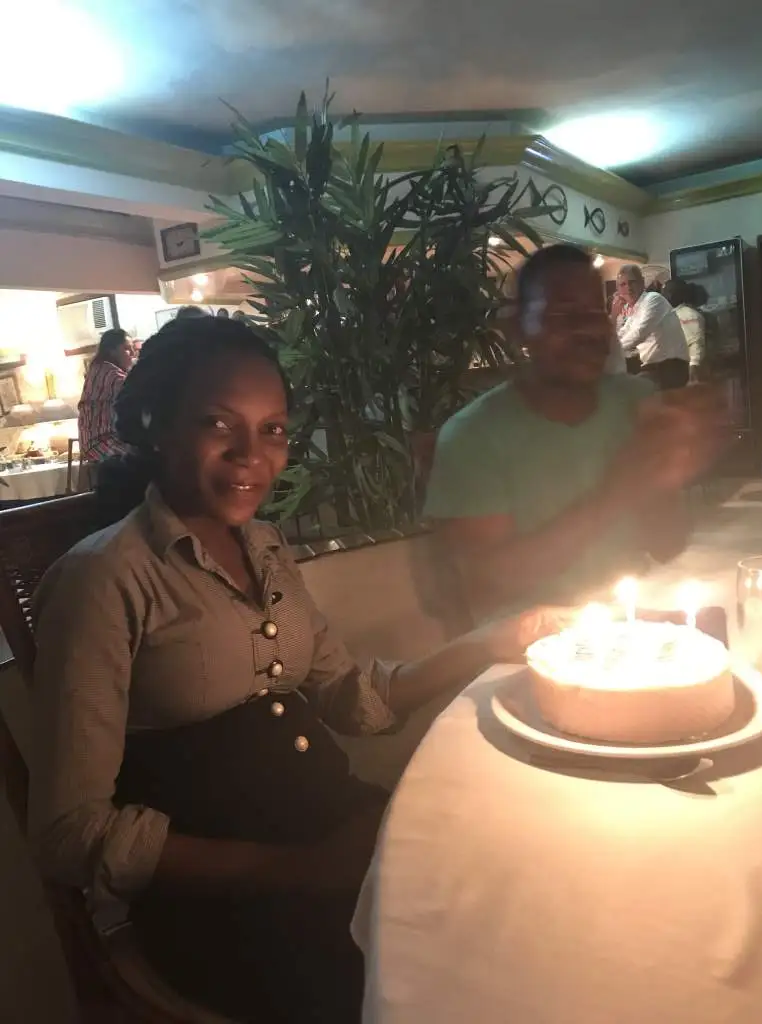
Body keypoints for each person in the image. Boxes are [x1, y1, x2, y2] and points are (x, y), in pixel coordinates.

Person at [30, 316, 569, 1024]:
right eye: (218, 424)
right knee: (432, 982)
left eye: (273, 430)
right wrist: (302, 871)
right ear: (157, 423)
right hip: (225, 909)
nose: (251, 455)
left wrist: (490, 640)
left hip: (331, 832)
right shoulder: (104, 578)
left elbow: (354, 700)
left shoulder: (264, 547)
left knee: (513, 899)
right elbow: (70, 832)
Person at [423, 244, 723, 627]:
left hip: (625, 625)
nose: (586, 330)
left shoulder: (635, 401)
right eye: (562, 315)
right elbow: (488, 588)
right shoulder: (472, 437)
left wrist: (671, 474)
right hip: (523, 641)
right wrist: (619, 489)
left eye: (595, 312)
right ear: (519, 328)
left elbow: (668, 545)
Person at [612, 264, 690, 389]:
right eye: (623, 285)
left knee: (626, 390)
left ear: (642, 283)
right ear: (618, 290)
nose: (628, 288)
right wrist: (614, 315)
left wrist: (611, 351)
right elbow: (621, 334)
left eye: (632, 282)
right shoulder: (635, 309)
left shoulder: (653, 299)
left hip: (671, 367)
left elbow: (639, 334)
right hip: (654, 367)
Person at [77, 327, 135, 463]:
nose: (133, 353)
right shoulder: (109, 373)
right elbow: (138, 393)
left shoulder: (99, 368)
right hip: (102, 443)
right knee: (148, 458)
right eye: (127, 349)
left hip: (95, 442)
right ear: (112, 351)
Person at [663, 278, 706, 383]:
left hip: (684, 371)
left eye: (666, 292)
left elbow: (695, 343)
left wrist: (694, 367)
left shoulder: (688, 315)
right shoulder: (669, 314)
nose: (663, 296)